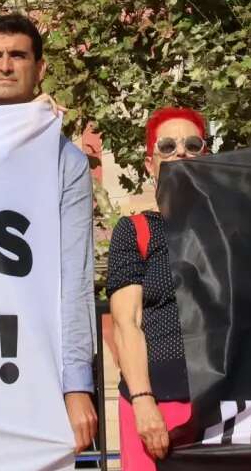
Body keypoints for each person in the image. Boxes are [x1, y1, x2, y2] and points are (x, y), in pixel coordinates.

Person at [0, 13, 99, 453]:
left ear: (39, 68)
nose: (5, 66)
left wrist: (76, 385)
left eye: (17, 55)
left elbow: (74, 277)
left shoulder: (66, 162)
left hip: (31, 367)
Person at [108, 106, 208, 469]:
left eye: (192, 145)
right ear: (151, 164)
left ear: (205, 155)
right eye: (167, 146)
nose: (180, 152)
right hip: (157, 403)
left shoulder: (228, 228)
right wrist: (143, 400)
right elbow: (126, 324)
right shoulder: (135, 230)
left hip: (219, 402)